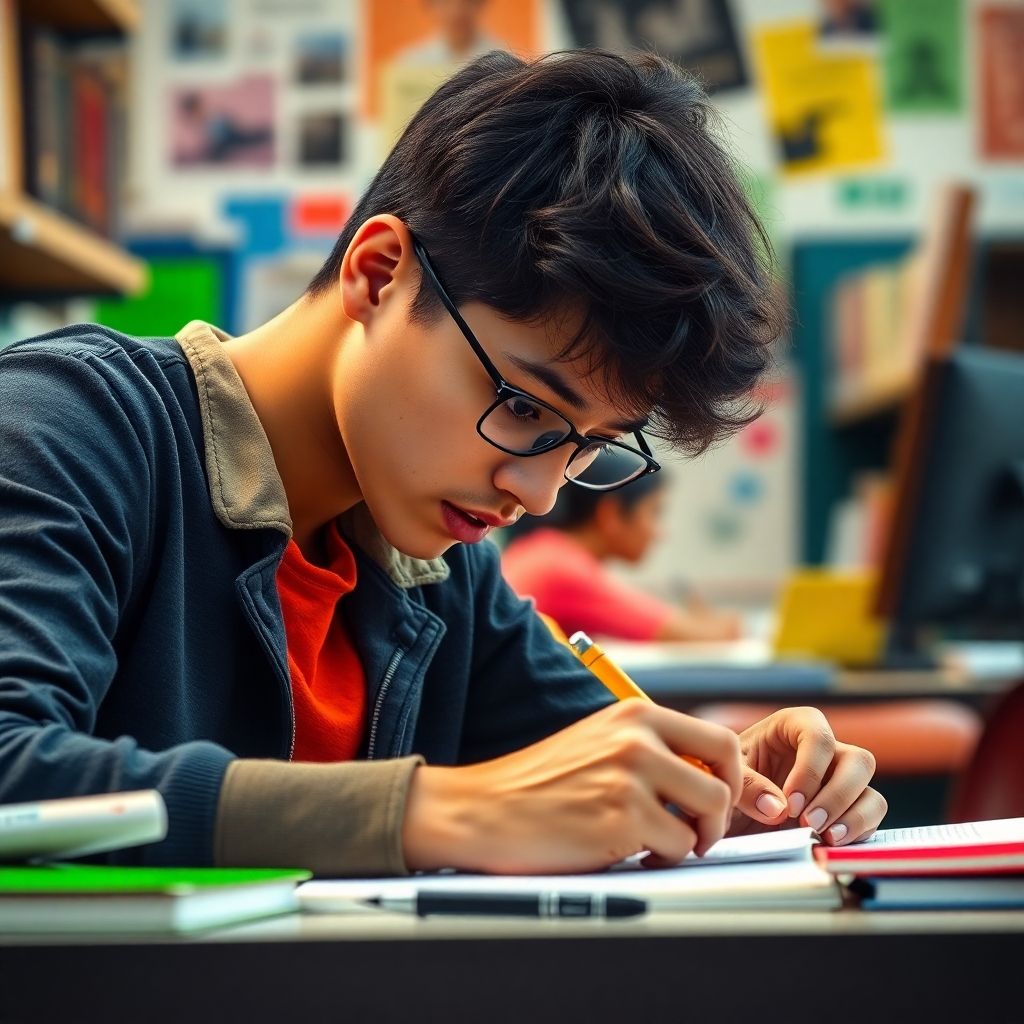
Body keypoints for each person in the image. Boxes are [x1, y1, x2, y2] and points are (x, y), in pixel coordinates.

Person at [0, 50, 886, 877]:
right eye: (527, 408)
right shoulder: (65, 427)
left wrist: (724, 789)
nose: (537, 493)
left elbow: (594, 769)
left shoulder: (437, 568)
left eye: (588, 447)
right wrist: (437, 810)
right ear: (380, 274)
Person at [502, 464, 743, 642]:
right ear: (612, 514)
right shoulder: (560, 566)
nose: (660, 534)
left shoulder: (544, 551)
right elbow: (695, 635)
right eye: (654, 512)